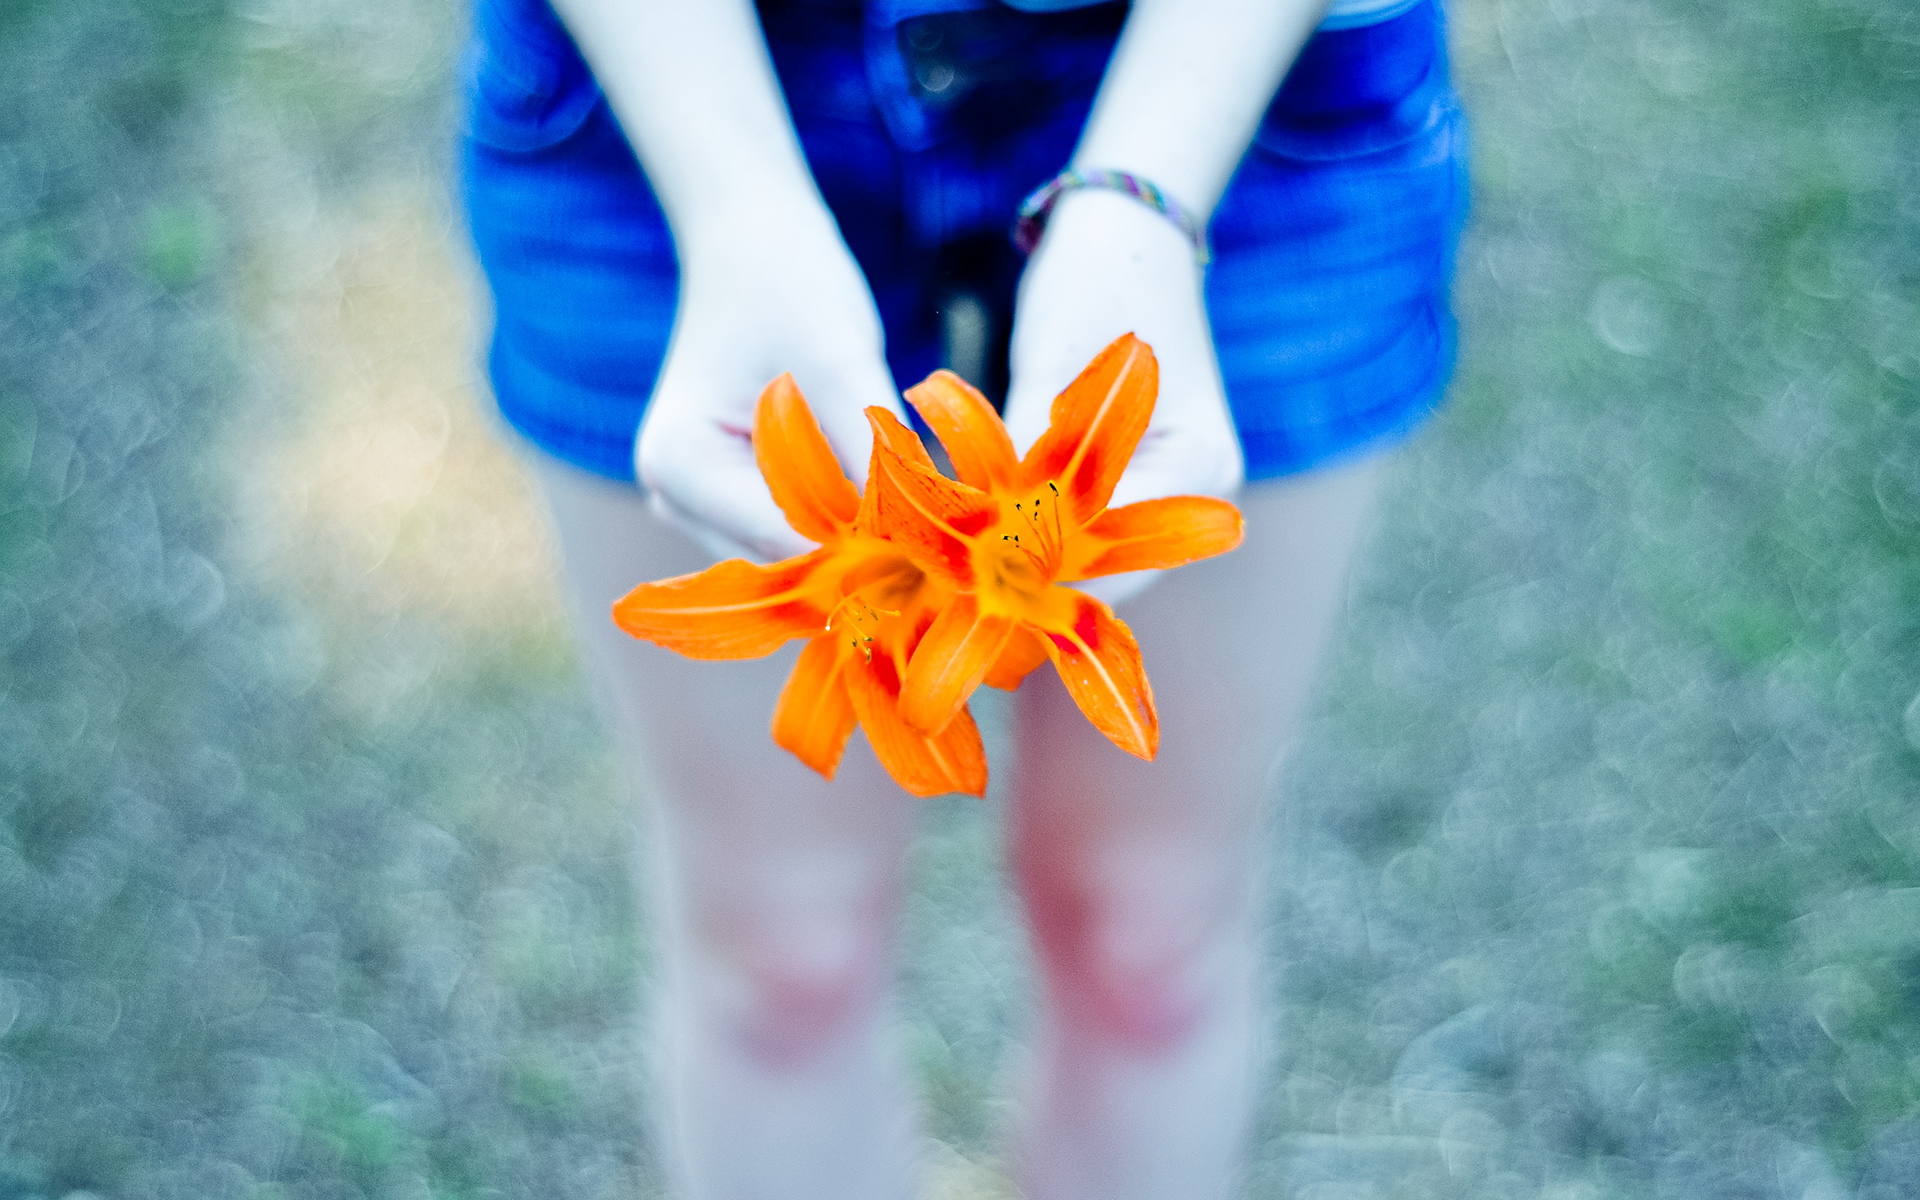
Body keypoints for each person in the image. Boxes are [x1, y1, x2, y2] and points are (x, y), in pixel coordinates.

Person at [460, 0, 1467, 1196]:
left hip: (1240, 66)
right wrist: (734, 203)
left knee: (1149, 942)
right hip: (675, 65)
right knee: (783, 958)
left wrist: (1142, 199)